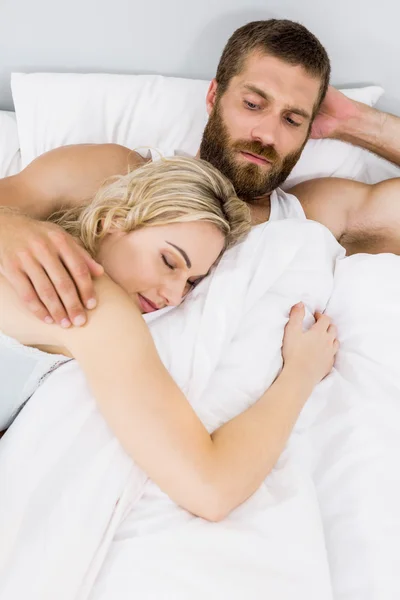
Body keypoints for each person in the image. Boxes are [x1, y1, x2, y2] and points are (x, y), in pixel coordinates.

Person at [0, 154, 338, 521]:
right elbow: (210, 489)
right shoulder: (93, 305)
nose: (175, 297)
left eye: (192, 282)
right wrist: (298, 376)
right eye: (169, 261)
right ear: (114, 220)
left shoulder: (43, 248)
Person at [1, 20, 398, 331]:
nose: (268, 134)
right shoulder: (116, 175)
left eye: (293, 119)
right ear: (213, 97)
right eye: (253, 103)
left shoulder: (314, 216)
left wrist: (359, 123)